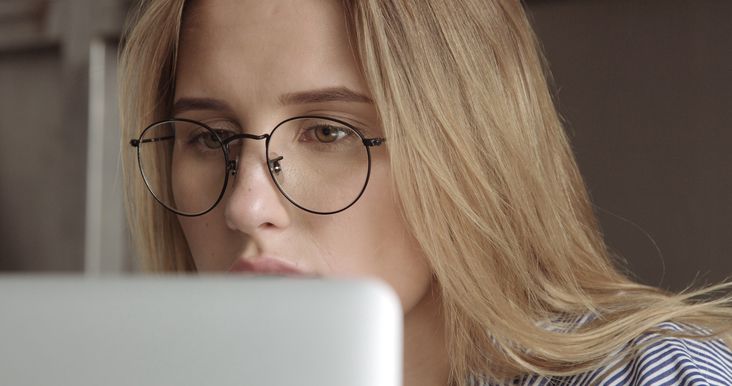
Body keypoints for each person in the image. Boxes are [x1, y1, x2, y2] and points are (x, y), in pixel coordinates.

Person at [119, 1, 732, 385]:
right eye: (210, 137)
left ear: (464, 149)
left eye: (329, 131)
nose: (245, 206)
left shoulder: (654, 378)